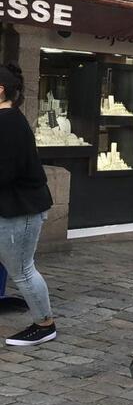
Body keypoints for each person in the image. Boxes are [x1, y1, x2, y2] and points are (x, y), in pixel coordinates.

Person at [0, 64, 57, 346]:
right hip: (11, 208)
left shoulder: (9, 121)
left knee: (22, 269)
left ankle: (44, 324)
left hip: (20, 210)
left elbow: (6, 171)